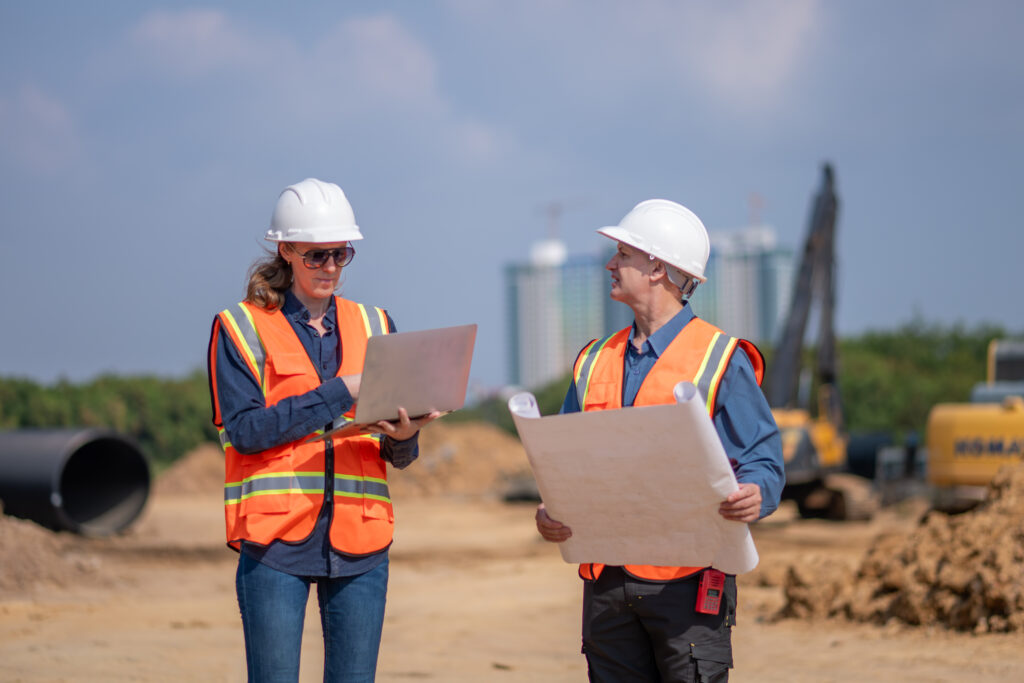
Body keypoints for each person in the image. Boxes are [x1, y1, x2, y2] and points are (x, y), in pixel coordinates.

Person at [534, 199, 785, 682]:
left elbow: (762, 461)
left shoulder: (718, 357)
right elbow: (562, 461)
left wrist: (756, 492)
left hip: (688, 583)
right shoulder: (593, 360)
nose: (610, 263)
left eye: (623, 254)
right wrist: (551, 510)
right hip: (607, 582)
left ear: (656, 268)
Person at [207, 178, 438, 682]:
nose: (330, 267)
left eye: (340, 254)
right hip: (276, 542)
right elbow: (246, 431)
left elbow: (394, 455)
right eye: (316, 256)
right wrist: (342, 389)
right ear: (285, 249)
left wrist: (405, 437)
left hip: (362, 540)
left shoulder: (376, 324)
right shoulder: (239, 328)